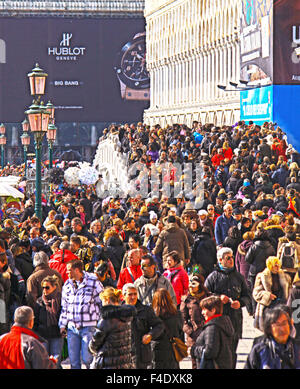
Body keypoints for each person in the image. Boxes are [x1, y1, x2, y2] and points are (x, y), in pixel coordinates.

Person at [204, 247, 252, 367]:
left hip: (234, 319)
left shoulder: (239, 277)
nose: (231, 260)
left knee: (232, 351)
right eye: (228, 258)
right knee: (218, 351)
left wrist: (240, 303)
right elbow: (204, 297)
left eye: (232, 257)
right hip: (217, 320)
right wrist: (218, 298)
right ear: (220, 260)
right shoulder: (212, 277)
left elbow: (247, 296)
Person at [59, 259, 103, 369]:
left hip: (88, 327)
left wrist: (101, 323)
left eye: (69, 271)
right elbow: (64, 307)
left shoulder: (93, 282)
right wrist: (62, 325)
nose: (66, 273)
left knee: (87, 359)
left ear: (77, 270)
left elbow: (102, 302)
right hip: (72, 328)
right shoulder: (67, 285)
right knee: (73, 361)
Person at [89, 287, 136, 369]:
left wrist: (91, 348)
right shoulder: (127, 316)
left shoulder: (106, 320)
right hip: (125, 362)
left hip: (108, 363)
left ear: (106, 300)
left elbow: (95, 344)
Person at [122, 283, 164, 369]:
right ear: (124, 296)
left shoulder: (146, 310)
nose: (133, 297)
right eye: (130, 294)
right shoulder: (118, 312)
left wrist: (150, 335)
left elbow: (159, 325)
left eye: (135, 294)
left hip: (141, 355)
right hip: (123, 355)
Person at [190, 295, 235, 369]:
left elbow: (209, 352)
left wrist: (193, 350)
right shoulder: (223, 323)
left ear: (213, 310)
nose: (202, 313)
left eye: (204, 309)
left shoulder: (212, 327)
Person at [180, 272, 211, 369]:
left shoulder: (208, 297)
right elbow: (182, 319)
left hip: (207, 333)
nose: (190, 286)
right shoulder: (186, 300)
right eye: (190, 284)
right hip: (193, 336)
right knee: (195, 363)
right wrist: (190, 331)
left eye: (194, 284)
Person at [253, 256, 291, 332]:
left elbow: (289, 290)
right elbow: (256, 293)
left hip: (281, 303)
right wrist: (267, 295)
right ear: (270, 265)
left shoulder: (284, 276)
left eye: (278, 265)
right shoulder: (262, 276)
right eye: (275, 265)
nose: (277, 267)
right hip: (268, 304)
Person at [33, 275, 63, 368]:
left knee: (56, 360)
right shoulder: (40, 302)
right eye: (43, 287)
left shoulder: (61, 300)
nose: (44, 290)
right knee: (43, 361)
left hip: (57, 334)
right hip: (43, 335)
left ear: (55, 287)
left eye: (47, 287)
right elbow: (36, 319)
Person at [151, 288, 183, 369]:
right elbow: (180, 330)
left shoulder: (153, 315)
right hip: (172, 348)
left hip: (156, 349)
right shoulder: (177, 313)